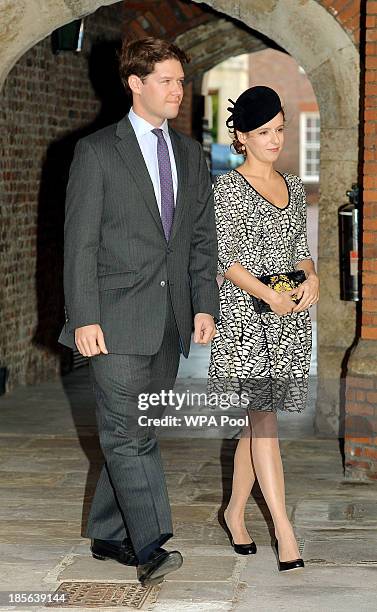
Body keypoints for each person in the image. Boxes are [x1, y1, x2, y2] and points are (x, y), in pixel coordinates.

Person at [59, 37, 219, 586]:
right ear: (135, 83)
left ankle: (107, 532)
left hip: (170, 319)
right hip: (113, 318)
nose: (178, 90)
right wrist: (84, 317)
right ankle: (150, 543)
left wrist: (204, 306)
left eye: (180, 80)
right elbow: (79, 244)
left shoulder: (191, 154)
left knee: (135, 426)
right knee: (130, 436)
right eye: (167, 81)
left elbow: (201, 239)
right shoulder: (98, 152)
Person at [208, 86, 319, 571]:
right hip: (246, 321)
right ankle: (284, 531)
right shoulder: (226, 189)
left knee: (259, 424)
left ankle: (234, 512)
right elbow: (225, 260)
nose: (274, 140)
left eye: (279, 130)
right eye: (263, 132)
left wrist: (312, 277)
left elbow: (299, 248)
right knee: (264, 421)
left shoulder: (293, 186)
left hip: (288, 321)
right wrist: (267, 295)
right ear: (241, 136)